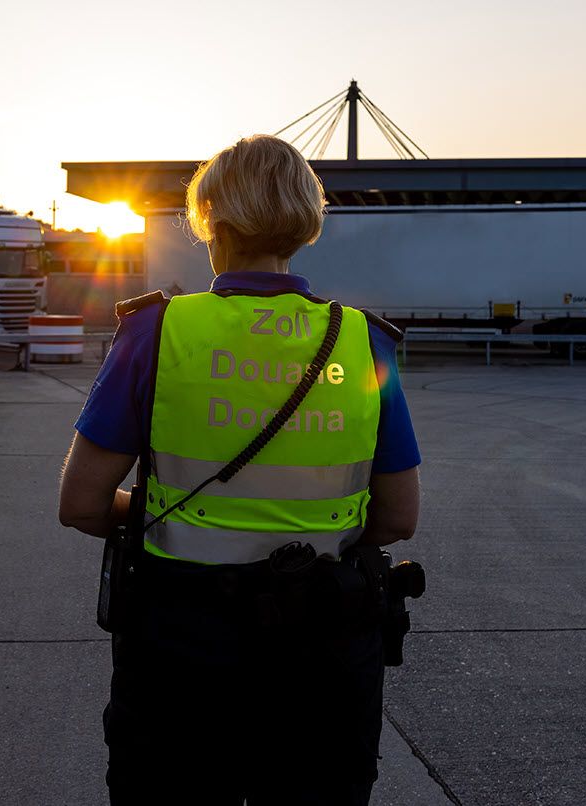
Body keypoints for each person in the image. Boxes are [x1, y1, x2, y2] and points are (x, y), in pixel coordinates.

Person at [58, 134, 422, 805]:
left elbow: (81, 504)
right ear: (304, 225)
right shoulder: (361, 341)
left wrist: (165, 518)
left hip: (181, 645)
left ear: (212, 222)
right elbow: (398, 517)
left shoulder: (158, 332)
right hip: (326, 646)